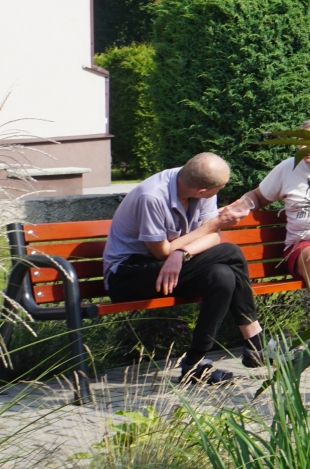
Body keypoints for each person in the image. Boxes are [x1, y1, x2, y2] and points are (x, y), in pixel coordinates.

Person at [104, 153, 264, 384]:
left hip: (167, 269)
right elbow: (161, 252)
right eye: (219, 188)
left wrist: (180, 252)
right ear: (201, 191)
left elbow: (213, 238)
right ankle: (255, 340)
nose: (220, 192)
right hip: (128, 275)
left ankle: (193, 364)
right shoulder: (152, 197)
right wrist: (210, 226)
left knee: (222, 276)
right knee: (231, 252)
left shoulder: (199, 185)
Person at [218, 117, 310, 321]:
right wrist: (239, 207)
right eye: (300, 143)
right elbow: (258, 196)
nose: (303, 148)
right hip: (307, 243)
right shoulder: (288, 168)